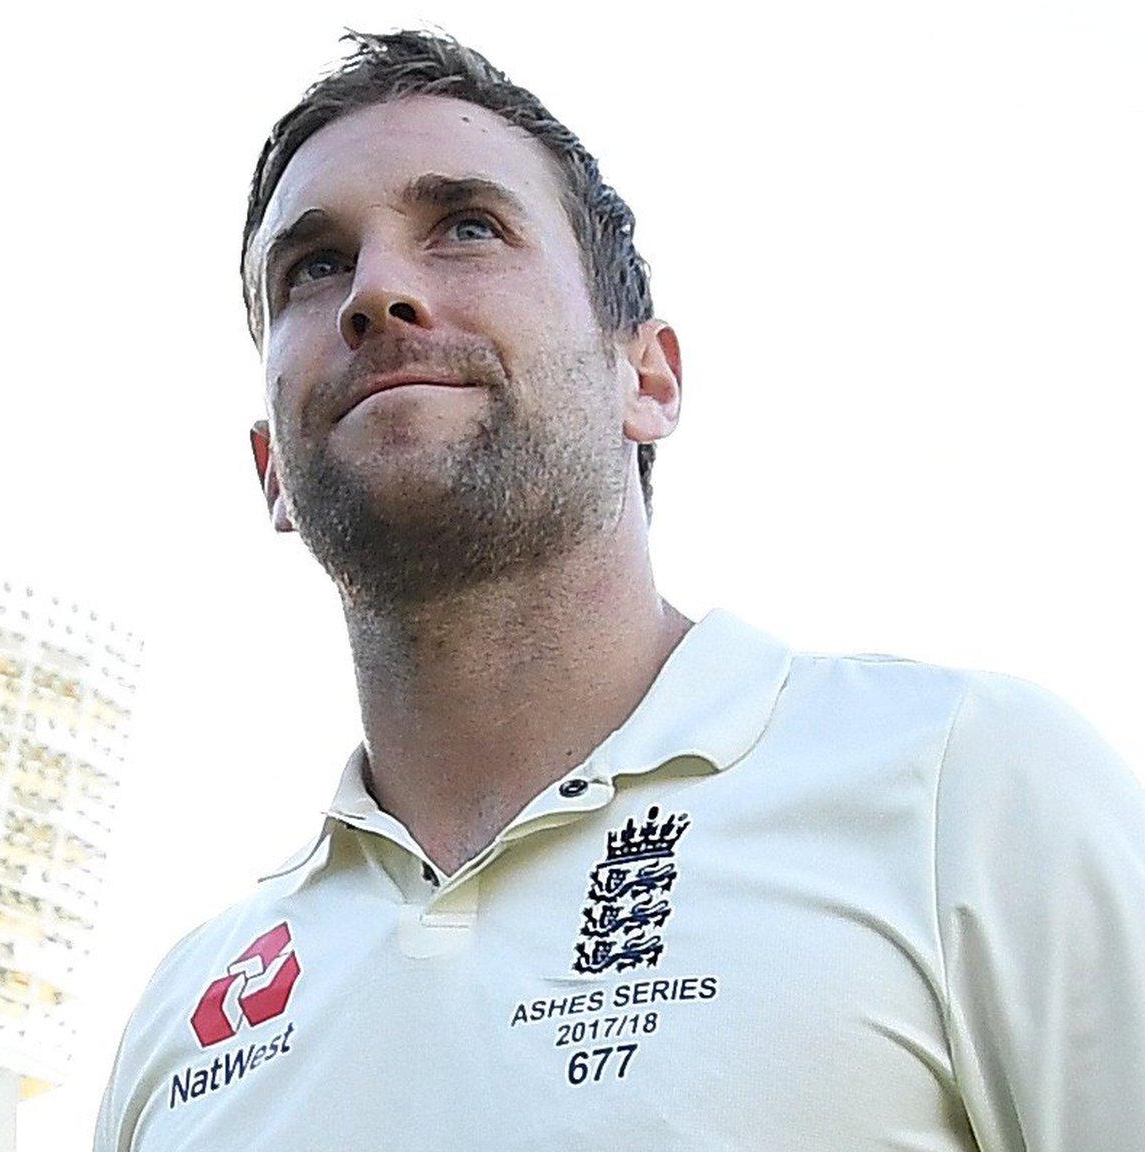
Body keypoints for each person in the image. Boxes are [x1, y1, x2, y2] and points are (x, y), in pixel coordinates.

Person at [92, 27, 1145, 1152]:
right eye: (314, 264)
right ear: (272, 475)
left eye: (464, 227)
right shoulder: (183, 1021)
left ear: (645, 377)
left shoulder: (959, 784)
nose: (378, 292)